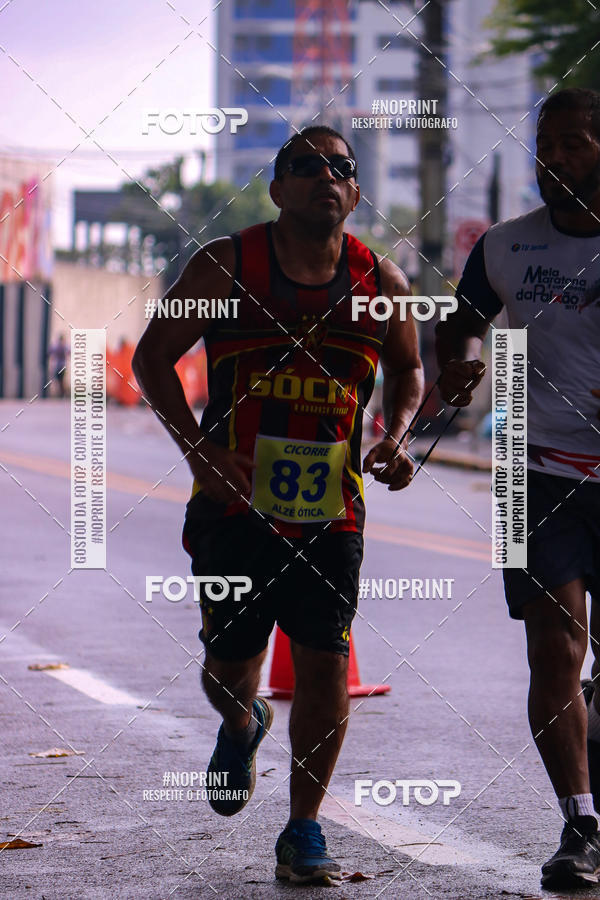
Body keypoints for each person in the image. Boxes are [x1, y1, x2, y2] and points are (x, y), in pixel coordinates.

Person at [133, 125, 424, 884]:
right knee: (229, 666)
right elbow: (151, 358)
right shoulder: (227, 266)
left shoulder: (381, 281)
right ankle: (241, 718)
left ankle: (304, 830)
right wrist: (201, 453)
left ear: (355, 193)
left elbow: (409, 370)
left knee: (326, 660)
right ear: (277, 187)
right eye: (304, 165)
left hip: (332, 511)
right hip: (232, 507)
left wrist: (394, 436)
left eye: (340, 168)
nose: (323, 176)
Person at [435, 88, 600, 889]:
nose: (555, 161)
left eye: (573, 144)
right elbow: (458, 320)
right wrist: (460, 359)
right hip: (530, 474)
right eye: (546, 147)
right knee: (551, 649)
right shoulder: (505, 246)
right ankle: (581, 824)